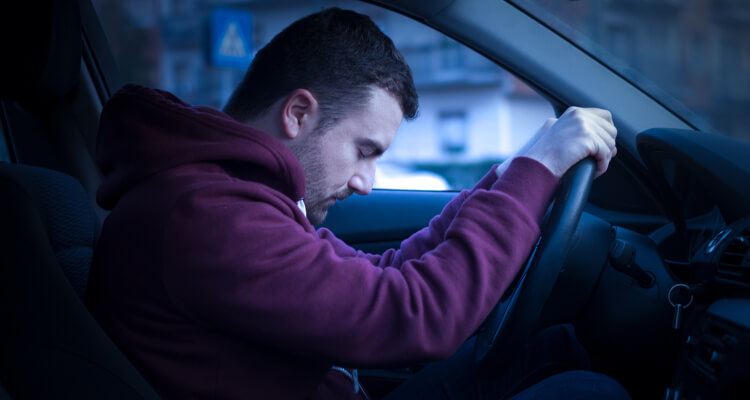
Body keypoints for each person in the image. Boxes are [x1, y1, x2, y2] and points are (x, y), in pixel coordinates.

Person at [86, 7, 626, 400]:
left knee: (558, 351)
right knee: (591, 392)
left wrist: (507, 178)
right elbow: (415, 314)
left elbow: (379, 275)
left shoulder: (236, 194)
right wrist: (537, 173)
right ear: (299, 113)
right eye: (363, 151)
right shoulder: (207, 215)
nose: (367, 181)